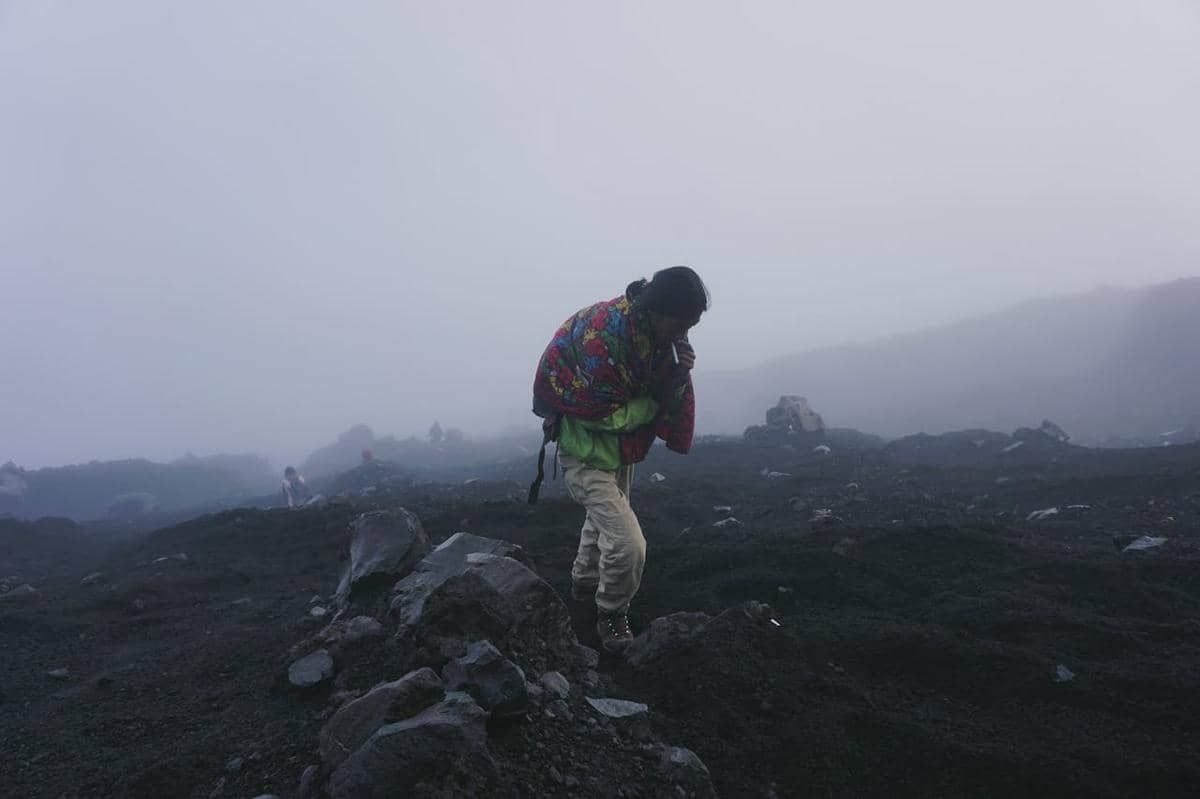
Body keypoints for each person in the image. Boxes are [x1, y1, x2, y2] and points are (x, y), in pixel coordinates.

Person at [531, 266, 709, 653]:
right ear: (659, 311)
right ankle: (611, 615)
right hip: (582, 449)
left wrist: (676, 373)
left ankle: (581, 585)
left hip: (618, 449)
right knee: (629, 543)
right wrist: (652, 405)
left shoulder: (656, 338)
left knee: (602, 522)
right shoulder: (606, 338)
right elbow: (602, 411)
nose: (684, 334)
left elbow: (649, 390)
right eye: (680, 324)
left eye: (690, 326)